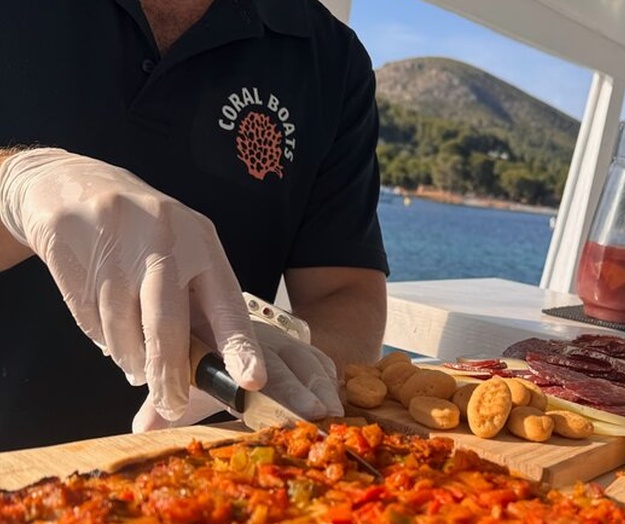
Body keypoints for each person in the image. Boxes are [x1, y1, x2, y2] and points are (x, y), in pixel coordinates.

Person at [0, 0, 389, 451]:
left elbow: (347, 294)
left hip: (209, 477)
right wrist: (15, 185)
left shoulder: (331, 60)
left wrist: (278, 340)